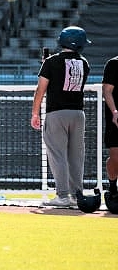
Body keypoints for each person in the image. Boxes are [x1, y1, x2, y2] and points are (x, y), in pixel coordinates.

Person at [31, 26, 91, 207]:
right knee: (76, 156)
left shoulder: (51, 62)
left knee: (57, 155)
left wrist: (35, 113)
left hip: (56, 113)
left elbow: (40, 89)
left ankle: (63, 196)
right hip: (78, 114)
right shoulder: (84, 63)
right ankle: (76, 195)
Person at [101, 55, 118, 198]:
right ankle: (113, 189)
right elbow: (107, 90)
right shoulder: (113, 63)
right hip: (116, 120)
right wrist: (114, 112)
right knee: (115, 157)